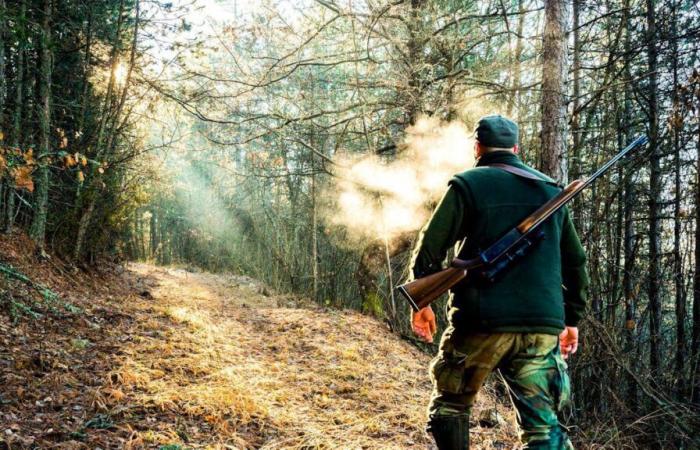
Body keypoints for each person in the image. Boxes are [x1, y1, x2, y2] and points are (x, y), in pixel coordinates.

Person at [409, 115, 589, 450]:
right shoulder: (551, 191)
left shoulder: (468, 184)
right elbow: (575, 263)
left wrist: (423, 301)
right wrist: (571, 319)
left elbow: (431, 246)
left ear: (477, 148)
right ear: (516, 149)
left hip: (480, 322)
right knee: (543, 428)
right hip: (540, 327)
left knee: (451, 407)